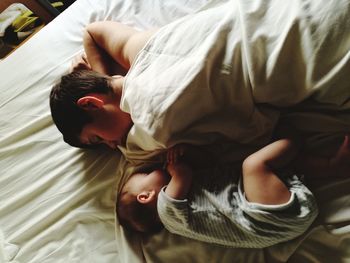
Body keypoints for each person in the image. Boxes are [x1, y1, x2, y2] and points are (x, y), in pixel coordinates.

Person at [50, 0, 350, 160]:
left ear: (90, 103)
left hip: (320, 51)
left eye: (98, 138)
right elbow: (93, 31)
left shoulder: (155, 123)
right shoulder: (140, 49)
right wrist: (102, 76)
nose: (113, 145)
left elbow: (258, 133)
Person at [117, 135, 350, 248]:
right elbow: (184, 175)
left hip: (273, 219)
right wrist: (176, 169)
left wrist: (187, 150)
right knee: (253, 165)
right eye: (147, 175)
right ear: (145, 196)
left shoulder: (188, 205)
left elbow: (209, 163)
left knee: (284, 168)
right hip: (261, 216)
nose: (153, 169)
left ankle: (332, 167)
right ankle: (294, 139)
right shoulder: (167, 210)